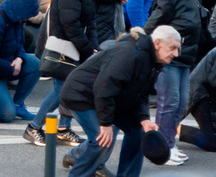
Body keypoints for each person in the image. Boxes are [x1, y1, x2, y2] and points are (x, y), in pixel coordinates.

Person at [23, 0, 119, 148]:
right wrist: (87, 48)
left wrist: (91, 47)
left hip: (72, 43)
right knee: (63, 89)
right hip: (62, 43)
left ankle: (62, 128)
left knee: (68, 88)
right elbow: (70, 22)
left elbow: (89, 19)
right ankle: (34, 127)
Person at [60, 26, 181, 176]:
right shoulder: (130, 53)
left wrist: (143, 119)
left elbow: (141, 94)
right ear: (157, 43)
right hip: (81, 95)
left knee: (138, 131)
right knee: (101, 139)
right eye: (173, 48)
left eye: (178, 49)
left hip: (109, 98)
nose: (176, 54)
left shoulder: (153, 60)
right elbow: (104, 87)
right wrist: (105, 124)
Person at [144, 0, 204, 165]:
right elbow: (152, 25)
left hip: (185, 58)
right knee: (168, 104)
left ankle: (168, 141)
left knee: (180, 105)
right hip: (169, 60)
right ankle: (162, 147)